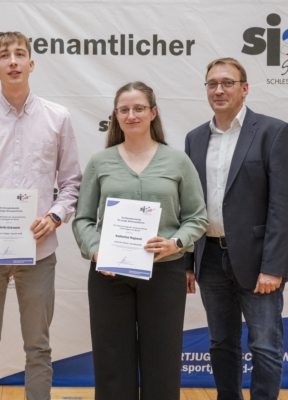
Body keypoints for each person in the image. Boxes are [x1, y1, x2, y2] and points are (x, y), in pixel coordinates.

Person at [0, 31, 82, 400]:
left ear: (31, 64)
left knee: (38, 348)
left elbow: (71, 183)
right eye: (4, 56)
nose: (13, 61)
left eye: (20, 54)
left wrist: (54, 217)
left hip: (39, 251)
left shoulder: (58, 117)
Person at [72, 81, 208, 400]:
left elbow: (197, 216)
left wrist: (176, 243)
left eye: (138, 108)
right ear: (116, 116)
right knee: (111, 361)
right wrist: (95, 250)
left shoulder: (177, 161)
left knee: (162, 359)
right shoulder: (100, 162)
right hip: (109, 275)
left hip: (165, 273)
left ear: (153, 112)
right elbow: (83, 219)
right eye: (124, 109)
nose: (131, 115)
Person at [184, 57, 288, 400]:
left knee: (265, 346)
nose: (219, 90)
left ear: (244, 88)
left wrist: (274, 266)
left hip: (258, 262)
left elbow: (282, 206)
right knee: (221, 343)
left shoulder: (273, 132)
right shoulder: (195, 139)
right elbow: (189, 206)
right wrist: (188, 262)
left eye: (227, 83)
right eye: (212, 83)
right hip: (209, 257)